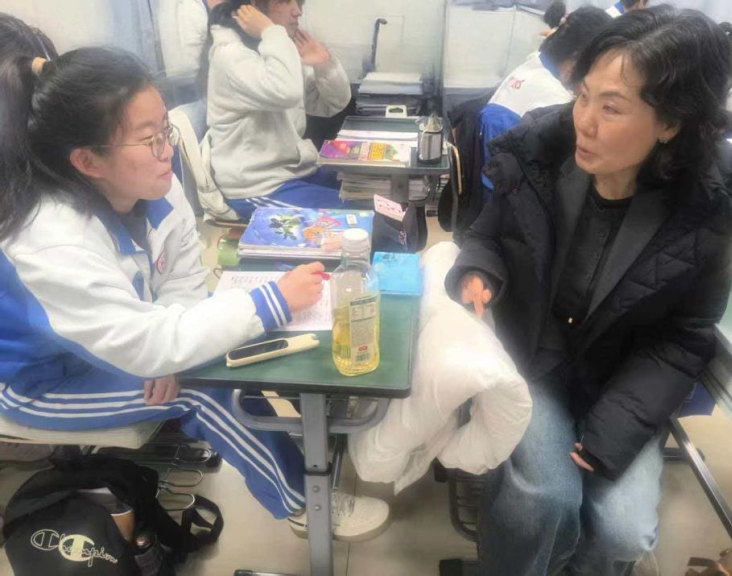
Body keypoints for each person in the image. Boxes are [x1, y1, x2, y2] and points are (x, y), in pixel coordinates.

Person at [0, 46, 389, 541]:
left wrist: (169, 353)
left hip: (120, 341)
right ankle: (306, 505)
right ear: (88, 160)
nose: (167, 149)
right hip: (44, 382)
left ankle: (310, 437)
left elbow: (182, 279)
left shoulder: (155, 185)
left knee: (230, 348)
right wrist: (263, 305)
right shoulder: (52, 238)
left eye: (166, 129)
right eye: (150, 139)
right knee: (205, 390)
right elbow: (146, 342)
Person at [447, 7, 732, 575]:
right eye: (583, 96)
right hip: (531, 360)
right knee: (546, 498)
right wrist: (478, 271)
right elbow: (487, 233)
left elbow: (684, 337)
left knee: (624, 530)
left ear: (672, 123)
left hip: (622, 379)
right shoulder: (540, 152)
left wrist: (612, 432)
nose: (584, 123)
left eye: (612, 108)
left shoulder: (711, 207)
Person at [202, 0, 352, 220]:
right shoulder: (231, 54)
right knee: (362, 220)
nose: (297, 11)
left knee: (372, 196)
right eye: (285, 1)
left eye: (298, 2)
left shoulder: (276, 49)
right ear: (253, 5)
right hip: (259, 186)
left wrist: (324, 64)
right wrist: (271, 31)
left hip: (295, 172)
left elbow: (333, 104)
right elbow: (286, 92)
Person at [479, 6, 612, 196]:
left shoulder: (533, 65)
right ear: (579, 58)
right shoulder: (554, 98)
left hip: (493, 180)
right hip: (510, 192)